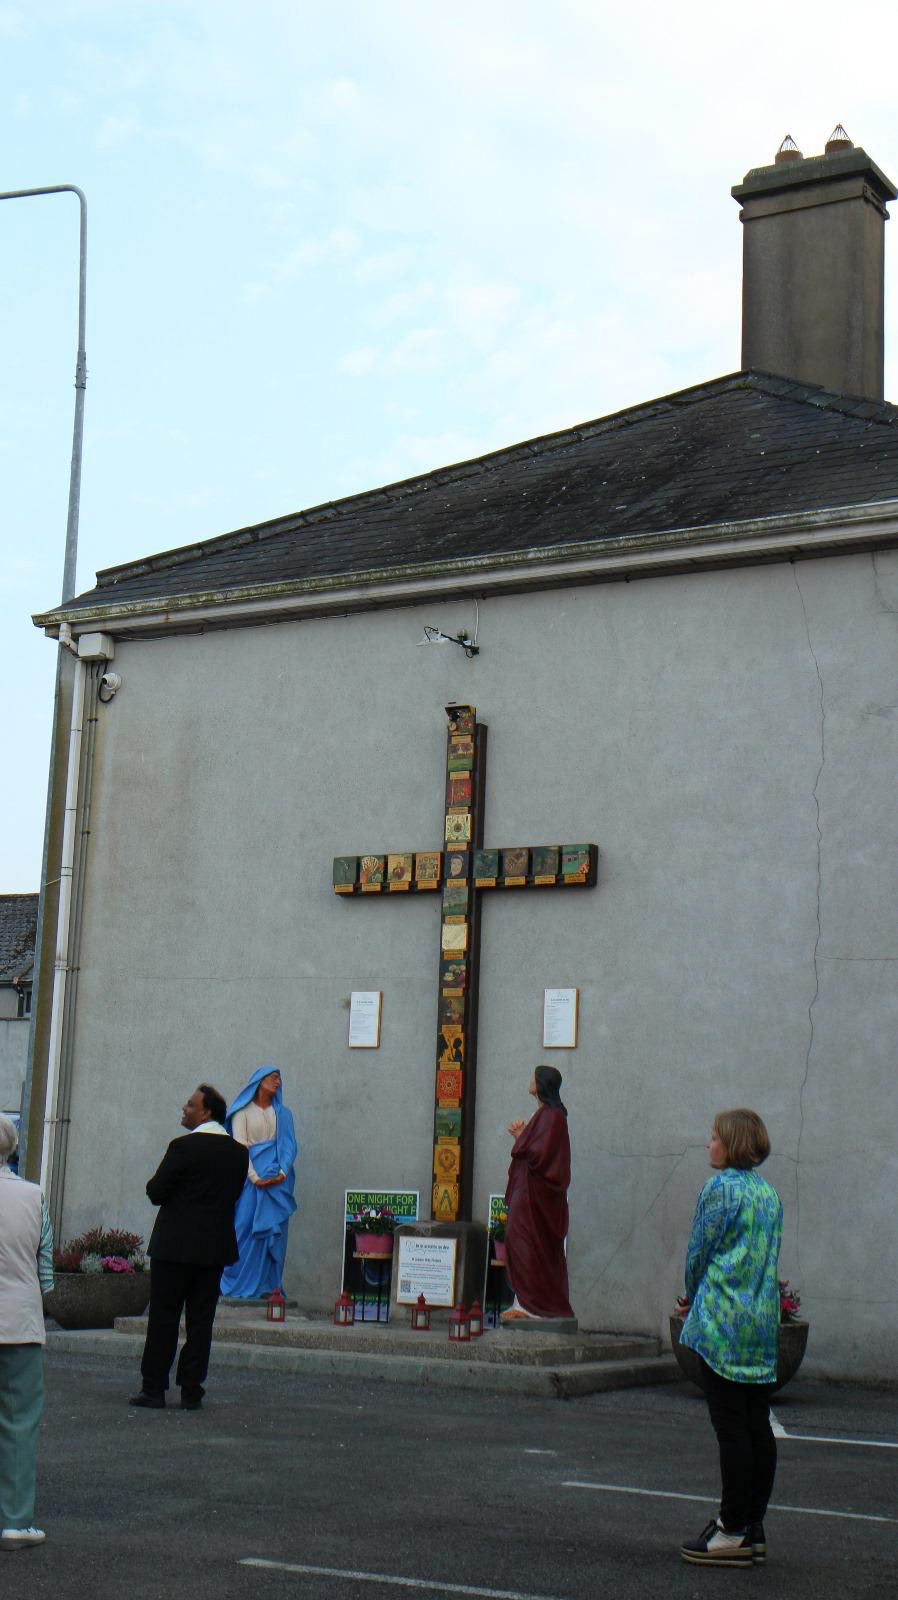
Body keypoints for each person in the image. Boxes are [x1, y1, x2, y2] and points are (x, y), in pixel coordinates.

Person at [678, 1108, 783, 1569]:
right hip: (760, 1321)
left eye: (715, 1136)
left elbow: (699, 1252)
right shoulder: (768, 1193)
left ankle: (732, 1528)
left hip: (723, 1320)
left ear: (733, 1143)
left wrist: (691, 1296)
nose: (709, 1143)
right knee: (756, 1422)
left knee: (731, 1426)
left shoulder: (720, 1188)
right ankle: (753, 1525)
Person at [130, 1084, 248, 1411]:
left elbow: (156, 1191)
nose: (185, 1108)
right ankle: (192, 1389)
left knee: (164, 1317)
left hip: (174, 1246)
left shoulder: (182, 1147)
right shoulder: (238, 1153)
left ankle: (154, 1388)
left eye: (191, 1105)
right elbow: (234, 1194)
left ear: (207, 1112)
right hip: (213, 1248)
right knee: (201, 1320)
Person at [0, 1112, 53, 1551]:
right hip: (20, 1321)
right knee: (18, 1423)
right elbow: (46, 1271)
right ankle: (15, 1521)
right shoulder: (34, 1196)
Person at [501, 1064, 573, 1322]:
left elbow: (542, 1156)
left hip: (537, 1199)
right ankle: (523, 1302)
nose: (530, 1079)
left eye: (533, 1076)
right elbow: (533, 1150)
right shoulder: (543, 1114)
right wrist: (521, 1137)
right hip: (528, 1192)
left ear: (542, 1083)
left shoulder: (553, 1117)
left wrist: (521, 1136)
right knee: (519, 1242)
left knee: (526, 1243)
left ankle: (532, 1307)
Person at [220, 1067, 297, 1299]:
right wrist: (255, 1178)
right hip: (249, 1180)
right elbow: (240, 1148)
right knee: (244, 1225)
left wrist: (281, 1173)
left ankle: (268, 1285)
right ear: (259, 1081)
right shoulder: (241, 1113)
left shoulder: (283, 1114)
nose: (278, 1082)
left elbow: (289, 1145)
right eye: (274, 1077)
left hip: (277, 1182)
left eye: (279, 1078)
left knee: (274, 1232)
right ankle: (234, 1283)